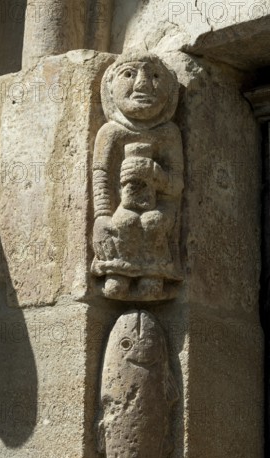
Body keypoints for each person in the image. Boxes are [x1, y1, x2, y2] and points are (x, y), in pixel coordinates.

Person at [91, 51, 184, 300]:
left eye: (154, 76)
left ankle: (154, 275)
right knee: (123, 223)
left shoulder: (168, 133)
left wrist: (154, 174)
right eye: (129, 74)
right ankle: (119, 273)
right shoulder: (111, 132)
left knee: (153, 221)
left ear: (171, 90)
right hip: (122, 208)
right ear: (110, 87)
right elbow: (101, 176)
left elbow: (176, 185)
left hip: (160, 208)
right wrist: (101, 218)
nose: (142, 84)